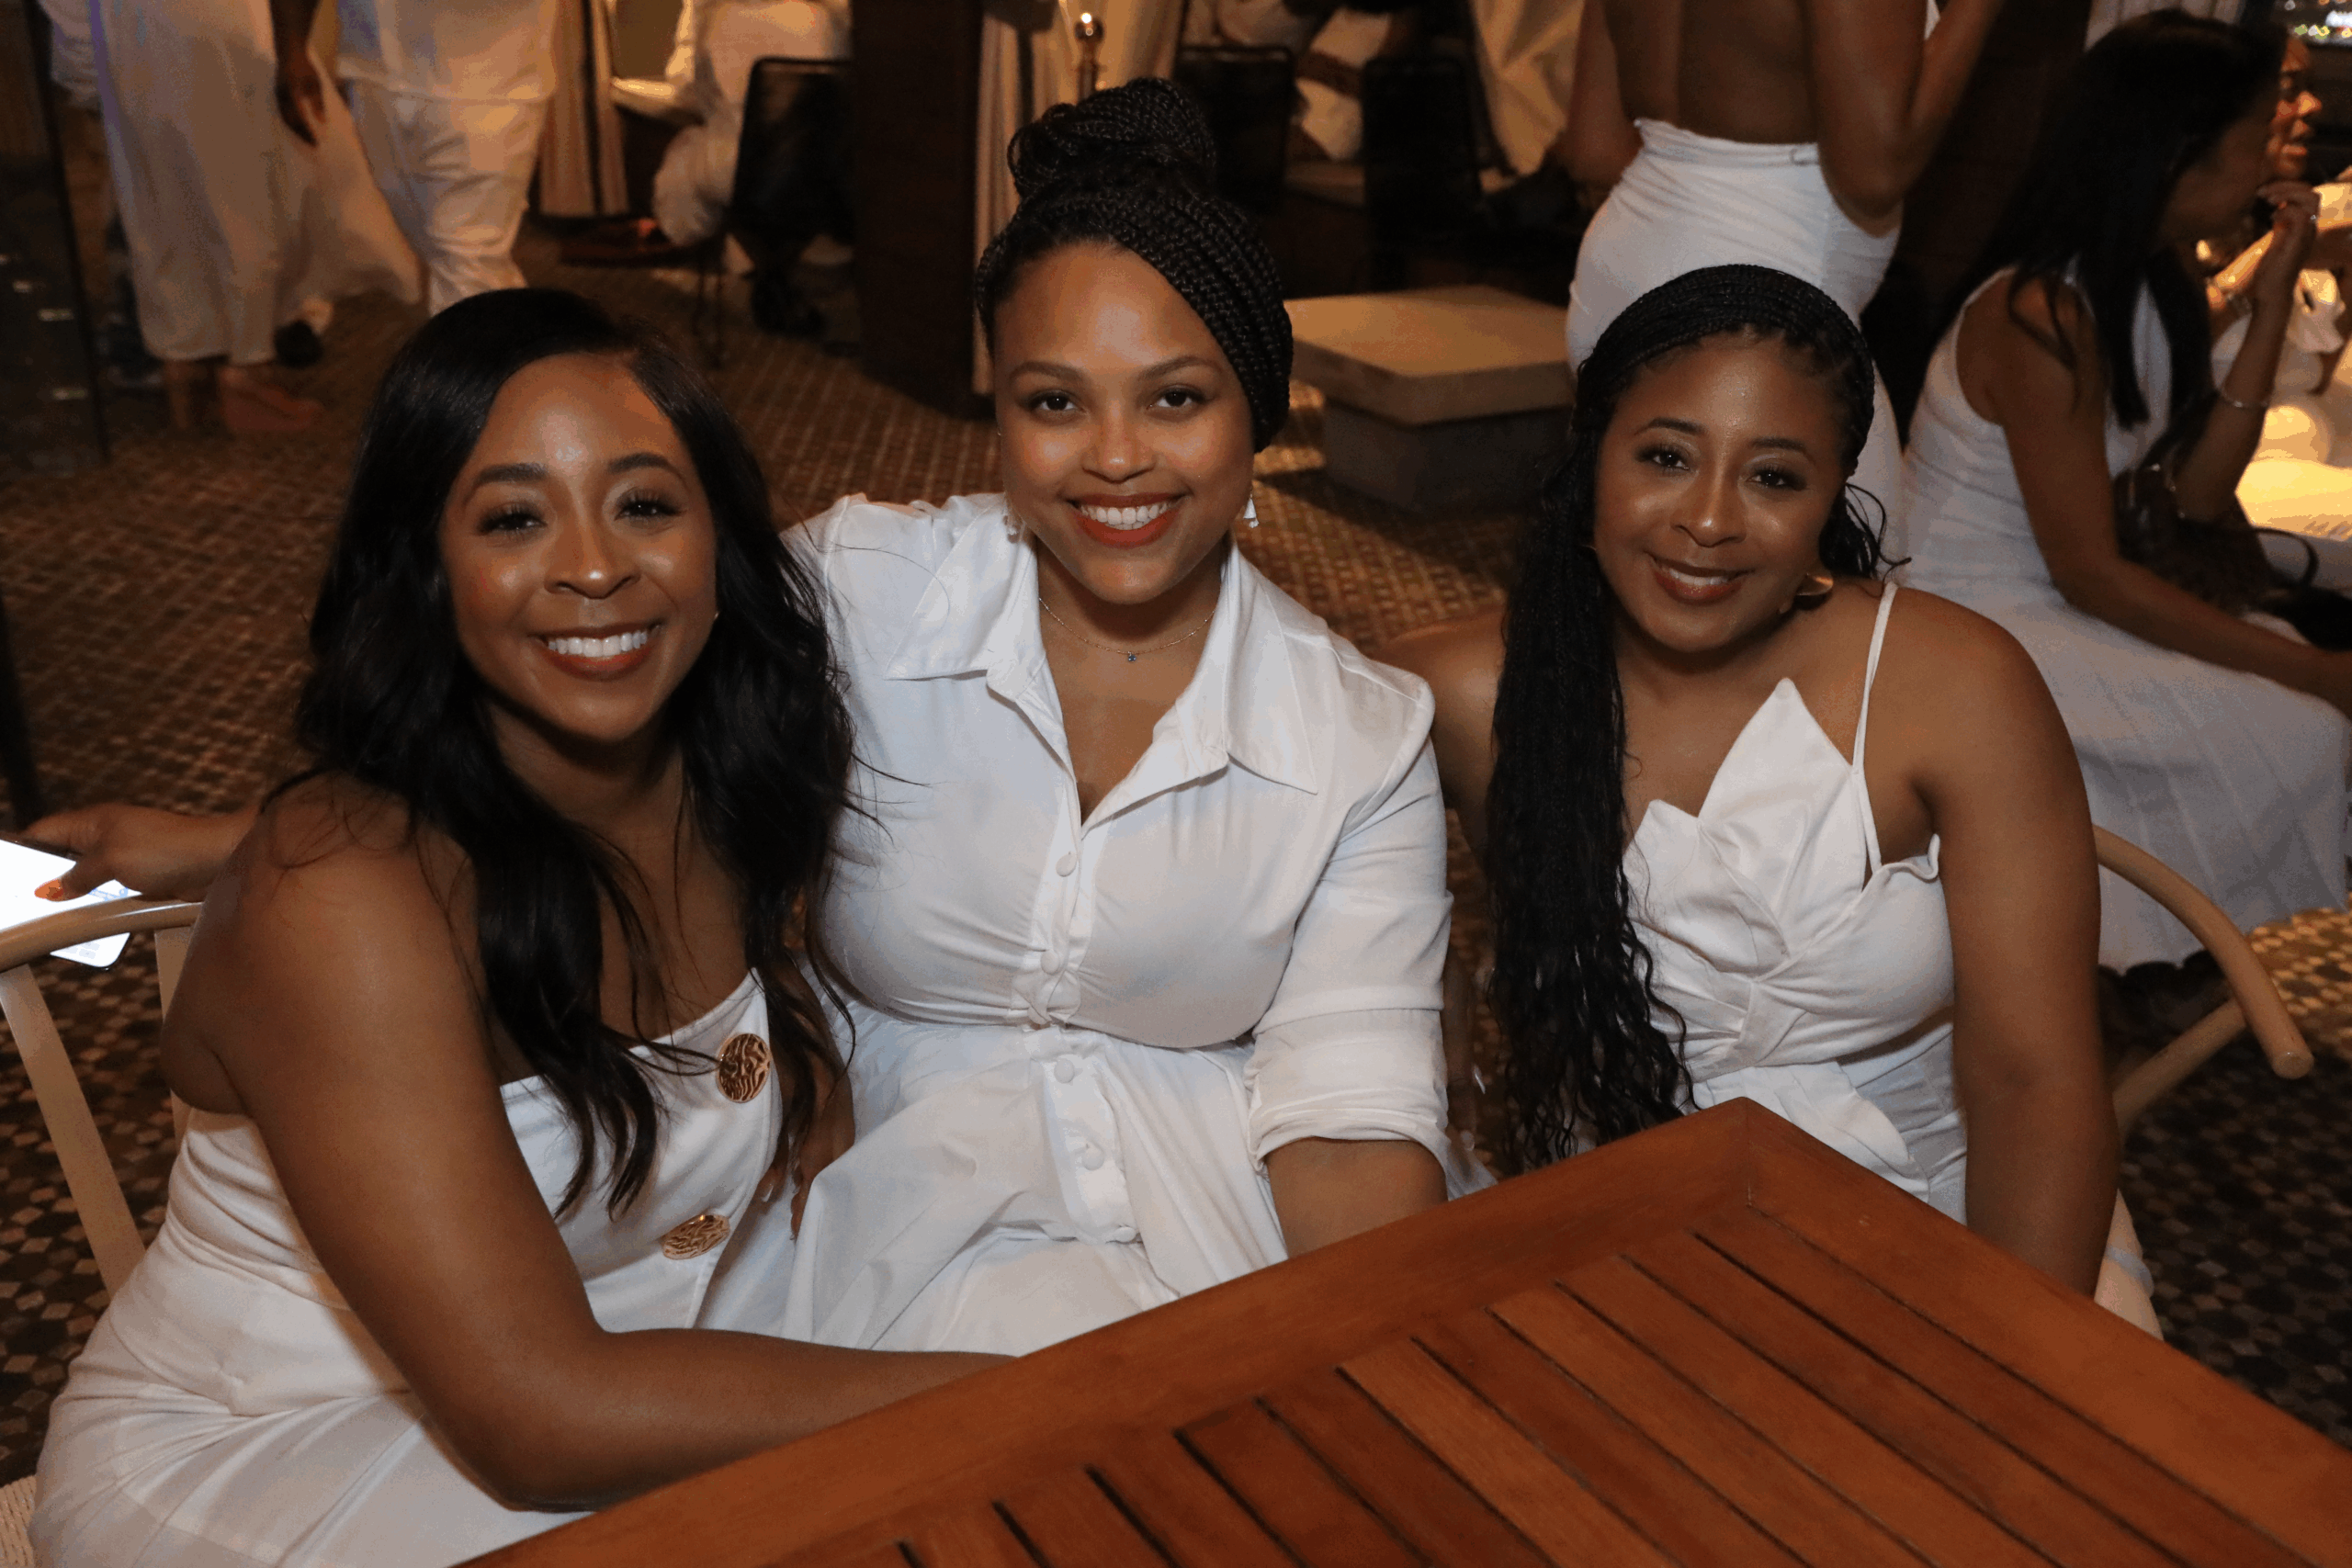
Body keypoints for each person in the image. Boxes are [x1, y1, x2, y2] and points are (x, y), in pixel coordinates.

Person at [33, 82, 1476, 1364]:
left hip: (1210, 1205)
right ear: (996, 408)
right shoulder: (867, 585)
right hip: (863, 1208)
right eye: (1055, 400)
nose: (1114, 457)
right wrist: (240, 842)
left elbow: (1351, 1108)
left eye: (1176, 398)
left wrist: (1374, 1350)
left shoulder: (1361, 735)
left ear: (1255, 410)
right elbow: (593, 694)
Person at [30, 291, 993, 1566]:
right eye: (513, 517)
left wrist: (797, 1051)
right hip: (270, 1449)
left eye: (645, 503)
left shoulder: (721, 770)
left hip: (621, 1352)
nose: (594, 566)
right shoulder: (338, 900)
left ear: (719, 540)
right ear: (426, 567)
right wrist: (1026, 1398)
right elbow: (538, 1424)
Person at [1385, 265, 2149, 1327]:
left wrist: (2005, 1353)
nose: (1708, 520)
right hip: (1607, 1221)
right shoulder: (1461, 694)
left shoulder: (1953, 687)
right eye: (1665, 457)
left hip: (1943, 1219)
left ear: (1831, 498)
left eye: (1774, 478)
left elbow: (2036, 1084)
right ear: (1591, 456)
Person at [1896, 12, 2352, 973]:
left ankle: (2197, 969)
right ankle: (2179, 968)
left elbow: (2197, 496)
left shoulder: (2148, 280)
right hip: (1973, 614)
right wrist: (2313, 673)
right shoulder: (2038, 312)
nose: (2264, 158)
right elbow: (2089, 574)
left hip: (2053, 593)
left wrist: (2272, 301)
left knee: (2288, 678)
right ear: (2176, 157)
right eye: (2252, 136)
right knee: (2302, 723)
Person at [1562, 0, 2007, 527]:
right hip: (1764, 315)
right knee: (1859, 563)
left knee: (1639, 553)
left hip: (1620, 268)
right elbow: (1874, 177)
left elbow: (1594, 149)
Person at [87, 0, 418, 433]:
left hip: (129, 27)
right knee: (248, 194)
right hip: (224, 25)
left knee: (165, 192)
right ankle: (244, 371)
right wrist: (293, 49)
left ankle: (186, 366)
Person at [270, 0, 560, 315]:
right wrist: (292, 49)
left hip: (489, 85)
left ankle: (479, 343)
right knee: (446, 258)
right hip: (374, 72)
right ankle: (510, 340)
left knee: (468, 263)